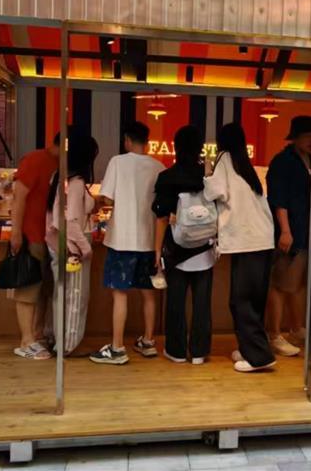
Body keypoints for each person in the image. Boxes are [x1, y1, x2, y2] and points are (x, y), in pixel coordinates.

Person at [90, 121, 166, 365]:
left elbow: (107, 199)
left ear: (127, 140)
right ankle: (148, 342)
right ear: (147, 142)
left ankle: (117, 348)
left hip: (121, 240)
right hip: (149, 240)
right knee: (148, 294)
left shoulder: (118, 162)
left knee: (120, 294)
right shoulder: (159, 167)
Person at [204, 122, 277, 373]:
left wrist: (207, 171)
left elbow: (214, 193)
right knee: (253, 300)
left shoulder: (224, 160)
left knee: (241, 300)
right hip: (262, 240)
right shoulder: (244, 166)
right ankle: (249, 349)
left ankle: (259, 357)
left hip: (247, 241)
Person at [152, 125, 216, 364]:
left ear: (176, 147)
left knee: (176, 301)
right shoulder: (208, 177)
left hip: (177, 249)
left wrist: (157, 251)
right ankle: (199, 352)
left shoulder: (167, 177)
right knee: (202, 303)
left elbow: (161, 218)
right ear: (200, 148)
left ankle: (176, 351)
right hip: (205, 249)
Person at [45, 134, 99, 356]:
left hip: (58, 244)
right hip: (73, 247)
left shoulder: (58, 177)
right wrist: (85, 248)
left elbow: (54, 217)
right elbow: (71, 220)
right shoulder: (75, 183)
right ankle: (69, 345)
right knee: (76, 296)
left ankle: (58, 340)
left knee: (61, 294)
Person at [8, 133, 61, 360]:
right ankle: (26, 341)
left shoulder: (58, 165)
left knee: (43, 290)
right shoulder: (35, 160)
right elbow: (19, 197)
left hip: (49, 237)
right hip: (31, 234)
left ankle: (37, 335)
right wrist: (16, 232)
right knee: (28, 289)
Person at [265, 115, 311, 357]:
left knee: (297, 284)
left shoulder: (310, 160)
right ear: (296, 137)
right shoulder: (282, 161)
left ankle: (296, 328)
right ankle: (274, 334)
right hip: (289, 233)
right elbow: (279, 199)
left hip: (305, 232)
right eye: (306, 136)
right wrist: (285, 230)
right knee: (281, 284)